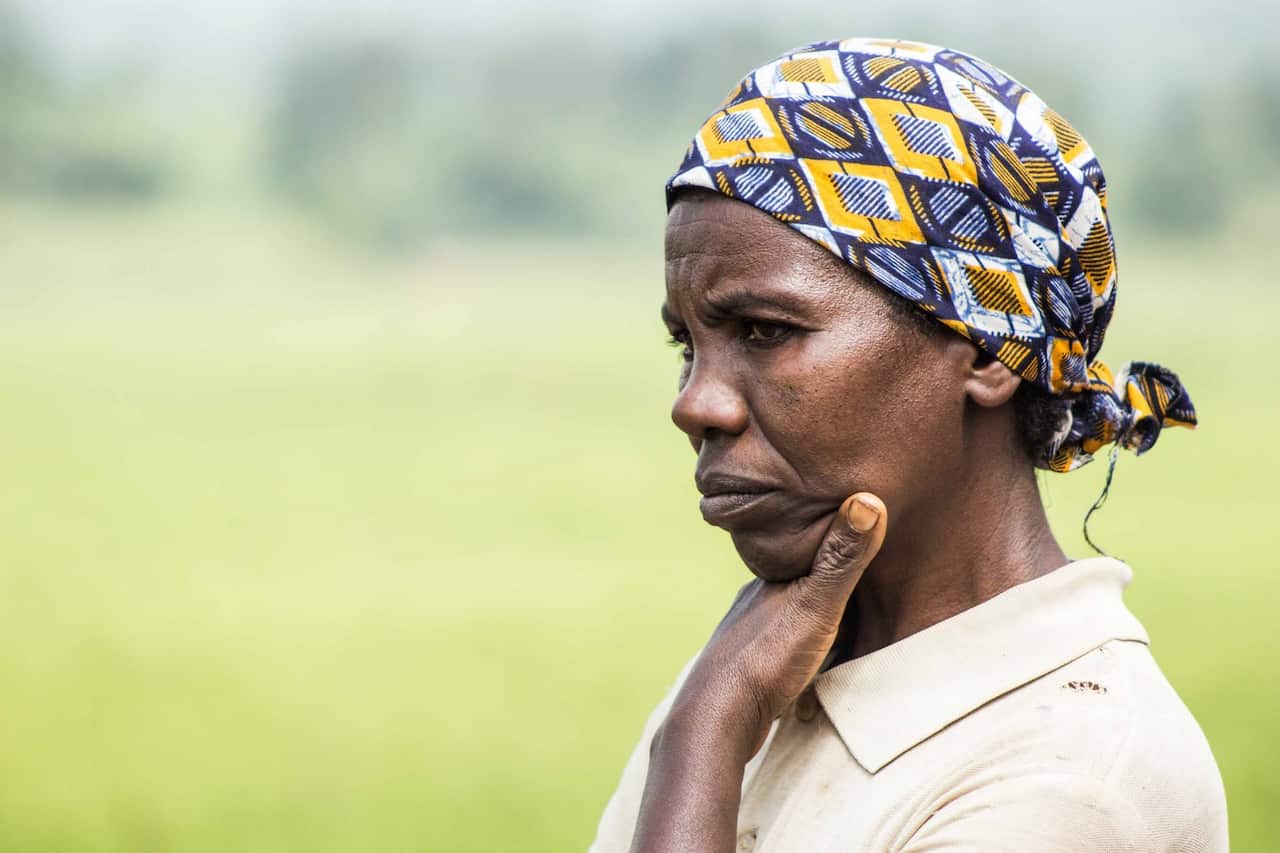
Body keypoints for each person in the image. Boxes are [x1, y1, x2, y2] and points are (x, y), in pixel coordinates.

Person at [589, 37, 1227, 852]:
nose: (694, 403)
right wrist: (708, 720)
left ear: (991, 350)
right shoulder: (753, 673)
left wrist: (703, 742)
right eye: (690, 344)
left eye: (764, 330)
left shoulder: (1079, 774)